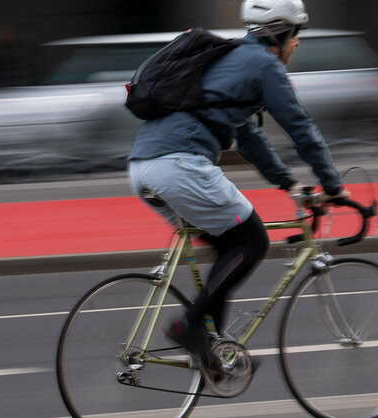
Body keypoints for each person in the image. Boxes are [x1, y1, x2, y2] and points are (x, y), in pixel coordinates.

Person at [128, 0, 348, 371]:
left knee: (228, 246)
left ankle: (212, 351)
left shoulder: (229, 60)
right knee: (252, 240)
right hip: (181, 165)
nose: (297, 44)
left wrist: (288, 182)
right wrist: (333, 184)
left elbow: (248, 139)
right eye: (297, 35)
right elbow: (300, 127)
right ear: (282, 32)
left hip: (142, 167)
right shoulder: (264, 64)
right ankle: (189, 326)